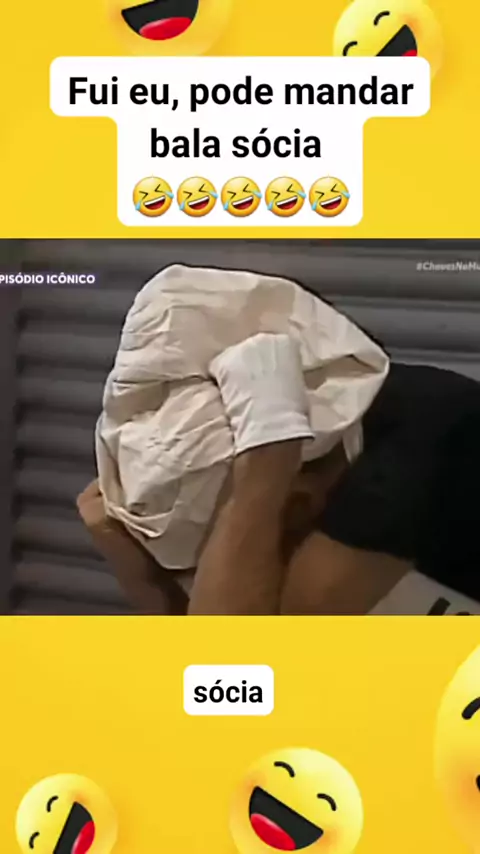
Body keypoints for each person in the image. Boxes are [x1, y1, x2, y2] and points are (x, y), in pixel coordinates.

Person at [77, 349, 480, 616]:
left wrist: (264, 467)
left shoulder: (417, 452)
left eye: (206, 567)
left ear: (297, 505)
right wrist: (141, 572)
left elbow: (236, 676)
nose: (203, 589)